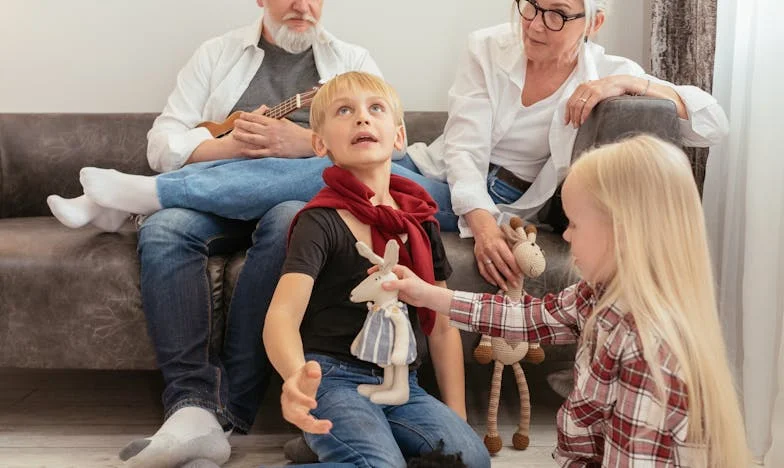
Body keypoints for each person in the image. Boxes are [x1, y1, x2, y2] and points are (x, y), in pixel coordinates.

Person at [50, 2, 412, 467]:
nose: (303, 5)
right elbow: (162, 141)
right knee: (164, 229)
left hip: (296, 195)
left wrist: (300, 144)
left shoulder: (352, 59)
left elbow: (384, 146)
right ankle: (192, 407)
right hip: (215, 191)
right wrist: (224, 146)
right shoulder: (217, 53)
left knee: (290, 221)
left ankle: (229, 413)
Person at [383, 135, 750, 467]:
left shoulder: (648, 352)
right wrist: (426, 293)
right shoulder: (599, 297)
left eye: (573, 223)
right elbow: (527, 318)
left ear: (622, 230)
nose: (566, 236)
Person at [395, 0, 730, 292]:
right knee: (342, 166)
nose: (536, 24)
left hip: (501, 194)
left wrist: (628, 83)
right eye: (532, 6)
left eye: (557, 14)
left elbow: (713, 124)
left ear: (593, 23)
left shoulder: (605, 71)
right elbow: (464, 148)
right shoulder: (486, 47)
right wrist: (483, 227)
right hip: (436, 167)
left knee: (347, 181)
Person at [263, 71, 490, 468]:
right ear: (320, 143)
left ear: (398, 137)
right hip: (334, 379)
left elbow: (439, 324)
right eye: (345, 111)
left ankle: (331, 450)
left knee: (471, 460)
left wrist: (459, 419)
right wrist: (297, 377)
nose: (362, 119)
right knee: (382, 466)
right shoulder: (320, 221)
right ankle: (350, 446)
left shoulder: (421, 222)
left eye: (375, 109)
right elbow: (282, 315)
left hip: (403, 382)